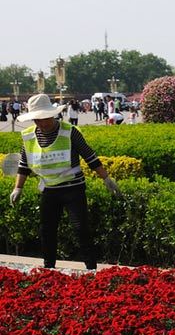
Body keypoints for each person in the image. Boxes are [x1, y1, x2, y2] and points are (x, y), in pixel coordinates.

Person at [9, 94, 122, 270]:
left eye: (45, 118)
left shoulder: (69, 132)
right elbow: (24, 165)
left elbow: (90, 156)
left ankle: (91, 268)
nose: (42, 123)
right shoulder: (28, 136)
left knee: (80, 229)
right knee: (47, 231)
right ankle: (49, 269)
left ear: (52, 115)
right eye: (37, 120)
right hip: (48, 189)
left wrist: (106, 178)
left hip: (73, 189)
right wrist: (18, 188)